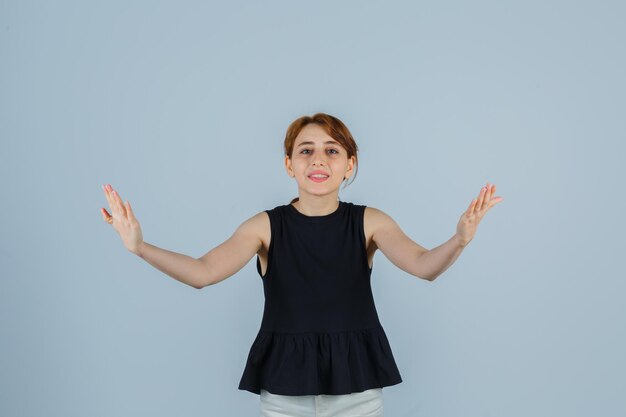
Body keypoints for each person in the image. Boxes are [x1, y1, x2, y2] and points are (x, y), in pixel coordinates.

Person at [100, 112, 503, 417]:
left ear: (350, 164)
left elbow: (423, 265)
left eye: (332, 150)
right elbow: (203, 272)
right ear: (288, 164)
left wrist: (459, 240)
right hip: (284, 385)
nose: (318, 160)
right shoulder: (265, 226)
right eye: (305, 150)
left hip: (356, 386)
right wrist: (140, 247)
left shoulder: (370, 222)